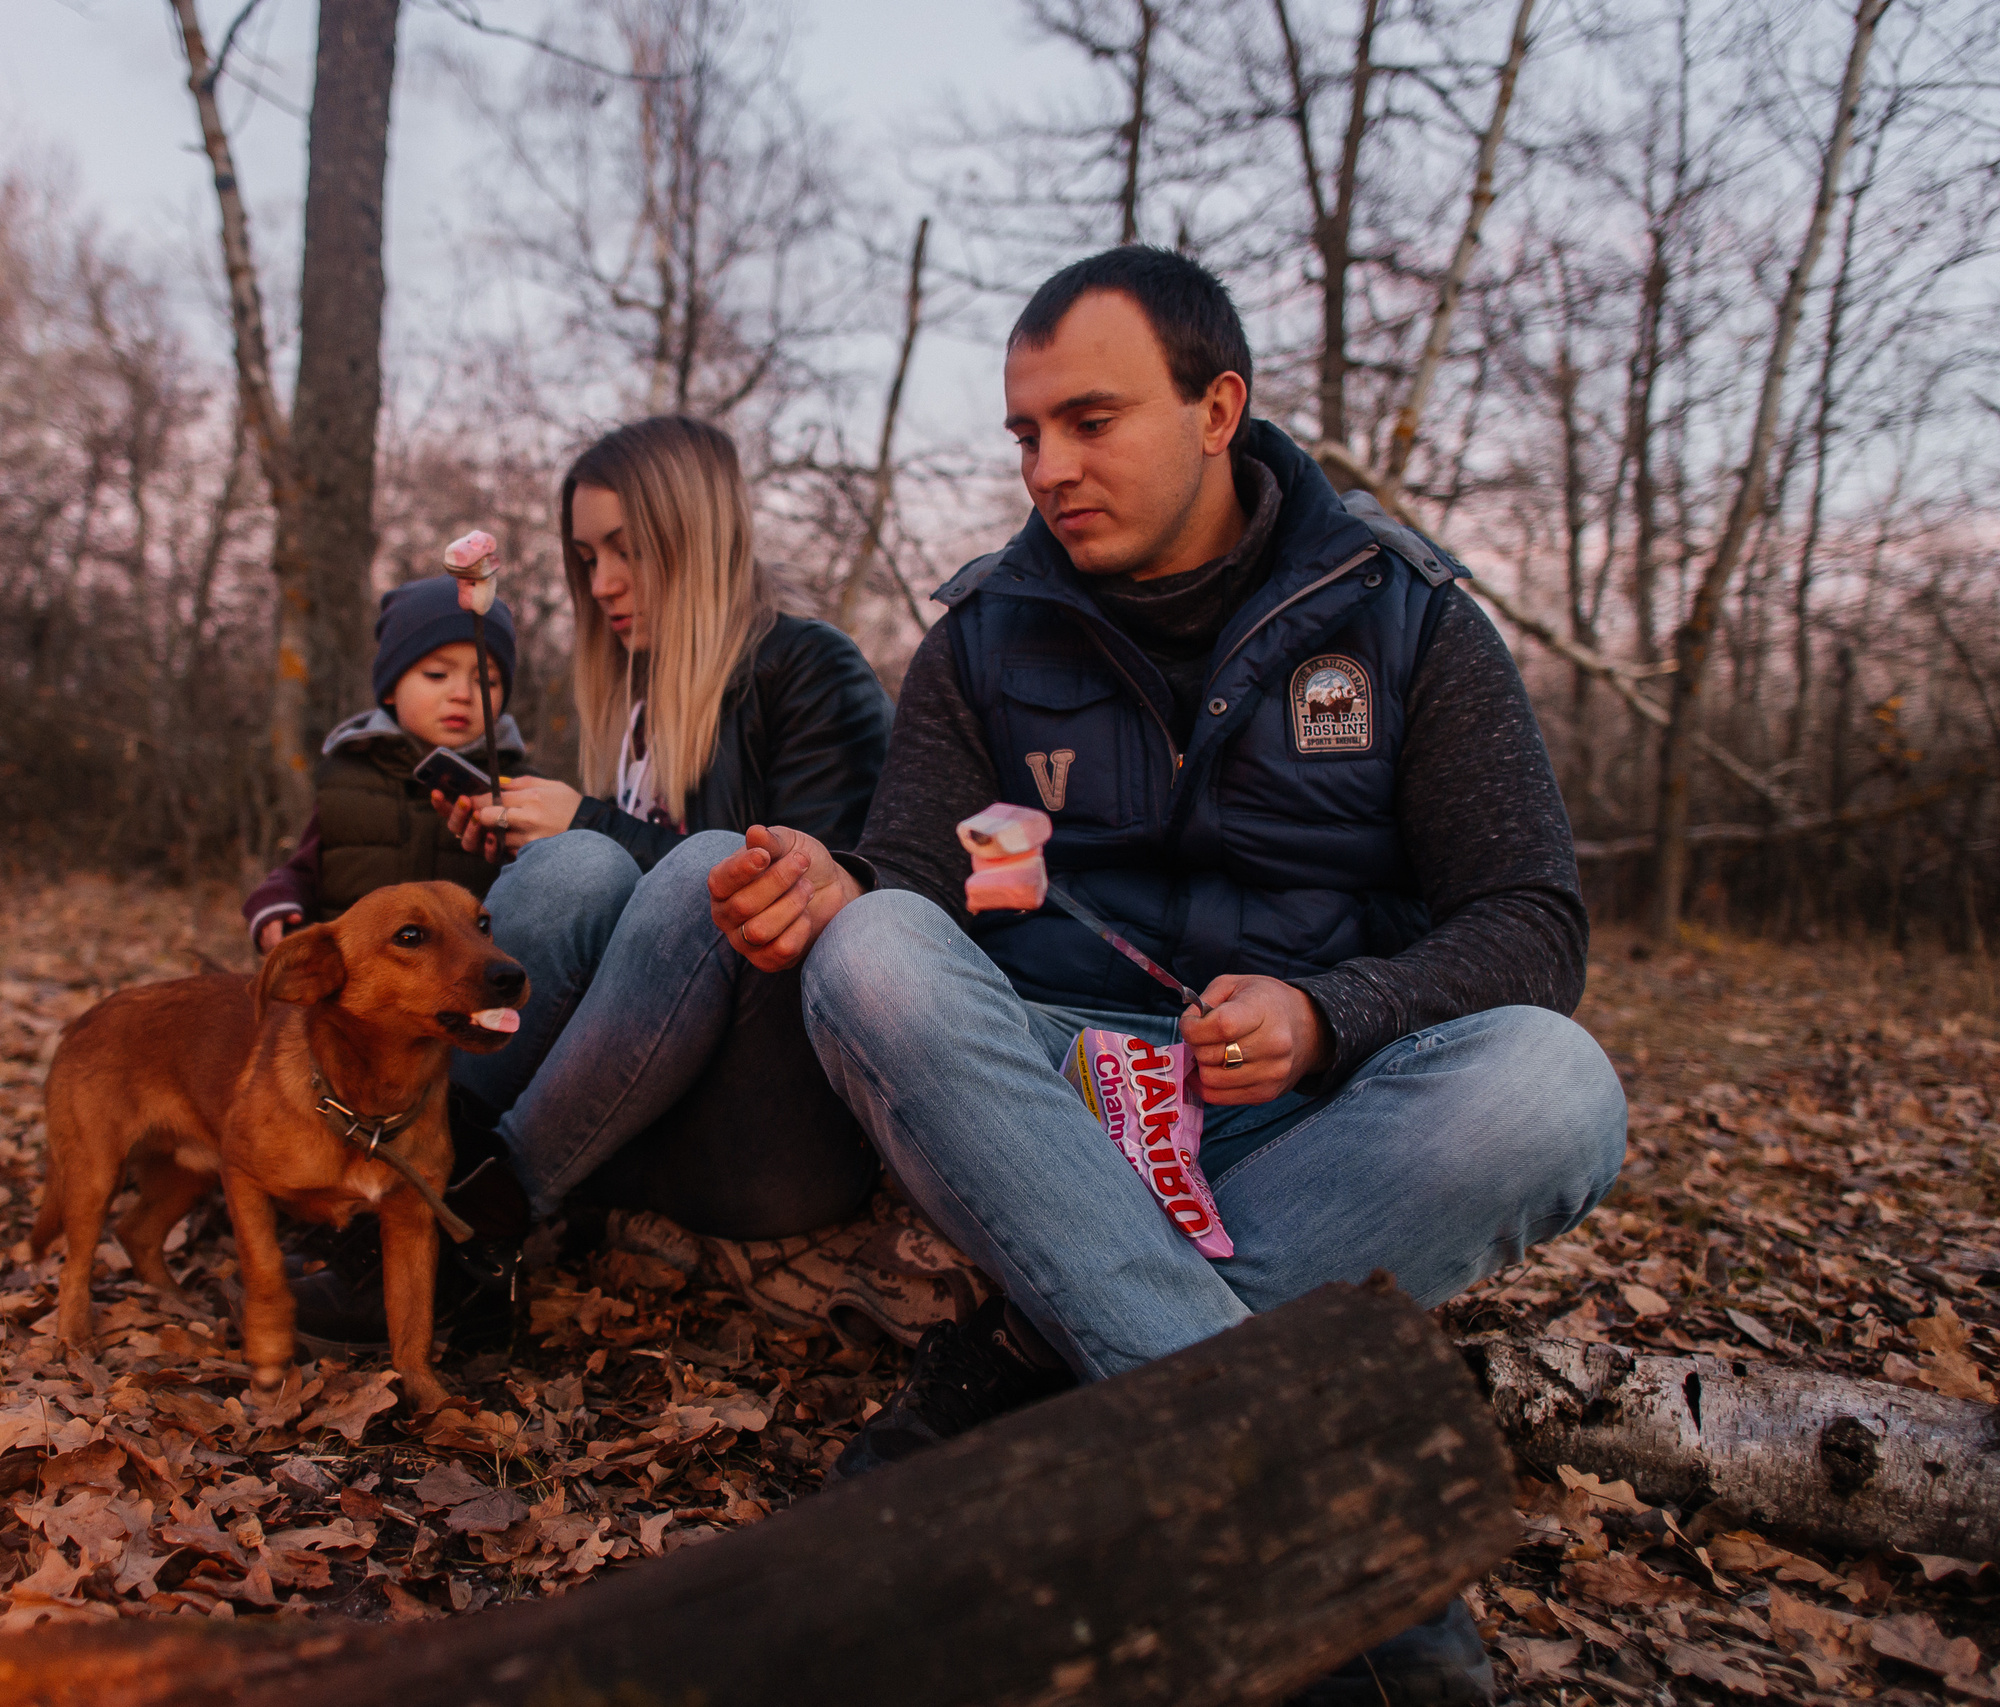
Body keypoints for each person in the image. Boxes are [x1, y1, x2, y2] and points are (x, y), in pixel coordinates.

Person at [671, 248, 1622, 1705]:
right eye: (1025, 433)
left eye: (1091, 421)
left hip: (1309, 1103)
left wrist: (1329, 1013)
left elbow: (1530, 921)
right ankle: (1326, 1534)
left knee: (1557, 1083)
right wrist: (833, 884)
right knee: (873, 951)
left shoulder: (1407, 611)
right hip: (1047, 1098)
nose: (1049, 465)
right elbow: (914, 878)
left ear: (1218, 405)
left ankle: (1042, 1360)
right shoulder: (983, 629)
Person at [287, 415, 892, 1339]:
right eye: (585, 556)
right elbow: (616, 913)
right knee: (574, 865)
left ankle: (465, 1229)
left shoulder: (809, 671)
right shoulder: (638, 703)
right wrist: (532, 846)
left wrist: (592, 822)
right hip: (633, 1102)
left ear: (698, 535)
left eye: (627, 550)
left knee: (680, 860)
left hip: (773, 1124)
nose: (601, 583)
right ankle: (397, 1190)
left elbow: (805, 908)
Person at [240, 576, 527, 952]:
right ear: (391, 686)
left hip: (466, 984)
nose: (462, 694)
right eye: (437, 675)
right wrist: (277, 904)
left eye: (486, 681)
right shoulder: (346, 776)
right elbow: (306, 870)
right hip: (354, 985)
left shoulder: (518, 788)